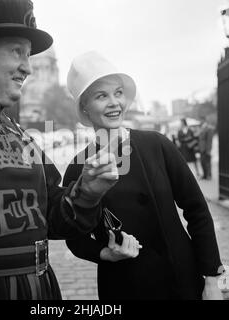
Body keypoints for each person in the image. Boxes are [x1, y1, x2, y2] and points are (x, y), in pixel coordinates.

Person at [0, 0, 119, 300]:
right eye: (17, 51)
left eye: (28, 55)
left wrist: (88, 191)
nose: (27, 67)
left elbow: (54, 217)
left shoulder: (18, 131)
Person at [63, 51, 224, 300]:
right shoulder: (78, 167)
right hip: (123, 284)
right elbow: (74, 237)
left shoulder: (157, 145)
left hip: (181, 280)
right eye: (101, 96)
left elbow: (197, 209)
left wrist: (212, 278)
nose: (114, 103)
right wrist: (105, 253)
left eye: (118, 93)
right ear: (84, 105)